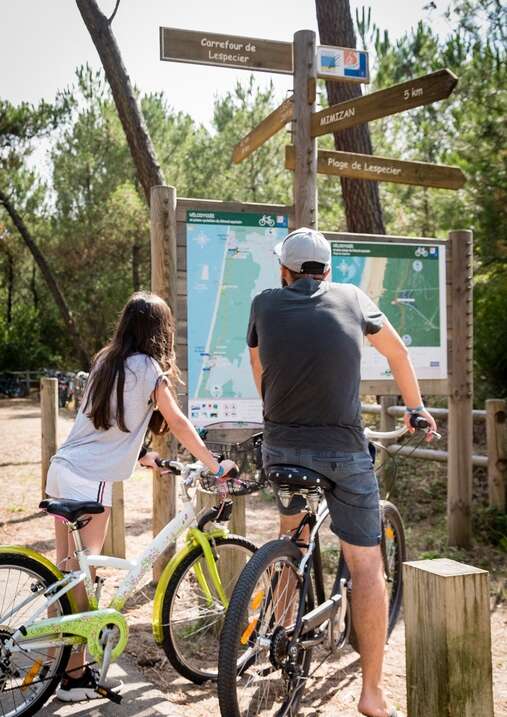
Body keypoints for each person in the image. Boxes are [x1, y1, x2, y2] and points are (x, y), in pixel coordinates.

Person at [246, 228, 437, 717]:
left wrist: (280, 418)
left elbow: (261, 372)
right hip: (344, 452)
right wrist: (415, 408)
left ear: (285, 271)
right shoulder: (353, 298)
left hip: (282, 448)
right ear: (327, 271)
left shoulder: (263, 305)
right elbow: (397, 353)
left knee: (292, 533)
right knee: (367, 566)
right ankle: (371, 695)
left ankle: (282, 634)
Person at [46, 291, 236, 702]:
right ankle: (74, 676)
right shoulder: (149, 368)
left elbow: (105, 423)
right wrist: (214, 463)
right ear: (160, 332)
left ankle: (53, 661)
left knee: (66, 575)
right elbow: (178, 421)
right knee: (83, 579)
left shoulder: (105, 361)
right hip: (90, 480)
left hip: (63, 469)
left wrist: (148, 456)